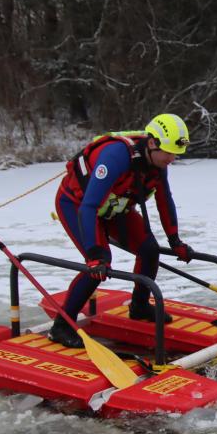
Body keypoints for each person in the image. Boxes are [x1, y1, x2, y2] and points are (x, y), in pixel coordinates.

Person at [50, 113, 194, 348]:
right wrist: (95, 254)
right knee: (99, 263)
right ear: (151, 143)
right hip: (78, 205)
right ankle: (62, 325)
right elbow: (89, 206)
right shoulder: (115, 157)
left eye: (175, 154)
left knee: (149, 249)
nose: (172, 158)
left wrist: (175, 240)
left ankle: (138, 306)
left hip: (115, 207)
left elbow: (164, 200)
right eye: (168, 152)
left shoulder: (157, 163)